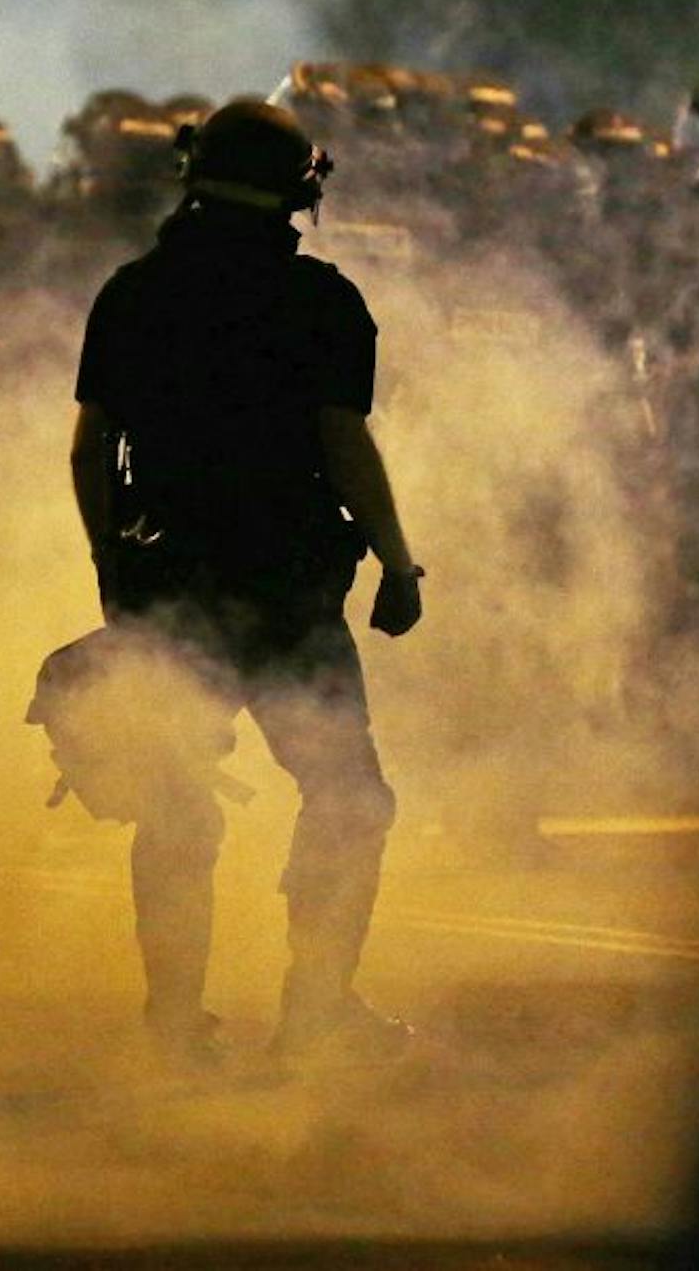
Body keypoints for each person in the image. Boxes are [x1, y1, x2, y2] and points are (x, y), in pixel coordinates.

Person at [52, 97, 424, 1068]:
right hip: (289, 590)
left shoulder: (132, 293)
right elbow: (343, 444)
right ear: (300, 187)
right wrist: (395, 558)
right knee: (347, 796)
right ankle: (316, 1012)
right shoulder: (322, 302)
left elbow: (92, 451)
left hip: (169, 583)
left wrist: (112, 570)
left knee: (177, 809)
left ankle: (175, 1028)